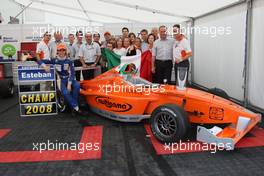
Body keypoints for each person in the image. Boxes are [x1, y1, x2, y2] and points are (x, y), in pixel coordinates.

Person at [36, 44, 89, 125]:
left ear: (65, 51)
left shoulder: (69, 61)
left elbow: (72, 73)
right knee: (65, 93)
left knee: (77, 85)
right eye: (60, 50)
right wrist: (44, 66)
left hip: (69, 79)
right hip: (61, 80)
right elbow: (39, 60)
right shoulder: (54, 60)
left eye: (63, 50)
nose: (61, 52)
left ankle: (73, 108)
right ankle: (76, 108)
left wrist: (69, 83)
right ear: (57, 51)